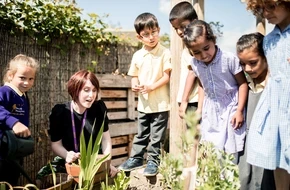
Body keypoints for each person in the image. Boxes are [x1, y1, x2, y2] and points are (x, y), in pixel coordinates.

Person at [182, 20, 248, 158]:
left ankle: (232, 178)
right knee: (211, 149)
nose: (203, 55)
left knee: (231, 150)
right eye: (196, 52)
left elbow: (242, 84)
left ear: (213, 40)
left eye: (206, 48)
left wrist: (240, 110)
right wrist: (200, 109)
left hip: (231, 108)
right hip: (210, 110)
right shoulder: (195, 63)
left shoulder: (228, 59)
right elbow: (202, 84)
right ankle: (215, 178)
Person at [118, 12, 171, 177]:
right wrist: (134, 86)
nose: (151, 37)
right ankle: (136, 158)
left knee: (156, 136)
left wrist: (151, 87)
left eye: (153, 32)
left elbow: (167, 76)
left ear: (159, 30)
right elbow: (134, 76)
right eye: (146, 34)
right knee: (141, 134)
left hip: (161, 104)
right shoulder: (137, 55)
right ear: (139, 37)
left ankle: (153, 161)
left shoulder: (165, 52)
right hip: (143, 105)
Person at [244, 1, 290, 189]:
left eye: (271, 6)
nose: (266, 12)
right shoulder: (269, 40)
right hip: (277, 105)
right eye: (261, 8)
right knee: (278, 156)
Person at [48, 70, 118, 178]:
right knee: (43, 178)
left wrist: (107, 163)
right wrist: (67, 155)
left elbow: (105, 139)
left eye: (94, 90)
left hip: (94, 161)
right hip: (69, 162)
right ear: (75, 90)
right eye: (86, 90)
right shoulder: (60, 112)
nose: (91, 95)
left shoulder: (98, 109)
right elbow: (56, 144)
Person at [236, 32, 275, 190]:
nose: (248, 69)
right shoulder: (243, 83)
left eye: (253, 63)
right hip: (247, 147)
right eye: (243, 64)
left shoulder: (274, 82)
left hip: (268, 145)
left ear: (266, 57)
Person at [0, 54, 39, 185]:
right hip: (2, 153)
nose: (26, 82)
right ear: (10, 75)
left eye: (31, 79)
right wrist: (14, 123)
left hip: (13, 153)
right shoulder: (5, 91)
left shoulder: (22, 95)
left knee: (12, 182)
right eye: (22, 78)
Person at [169, 1, 199, 118]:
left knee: (194, 135)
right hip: (189, 99)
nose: (179, 31)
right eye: (176, 28)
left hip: (193, 100)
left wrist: (184, 100)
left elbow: (193, 73)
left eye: (183, 26)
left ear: (194, 21)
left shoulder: (195, 47)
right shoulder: (187, 47)